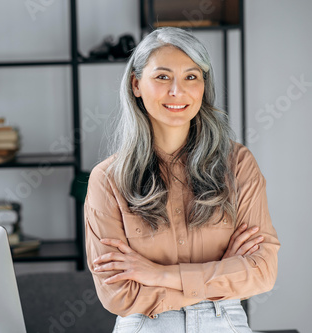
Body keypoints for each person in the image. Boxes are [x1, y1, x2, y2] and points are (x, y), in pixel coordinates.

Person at [84, 27, 280, 332]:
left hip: (225, 321)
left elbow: (263, 272)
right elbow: (118, 295)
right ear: (136, 84)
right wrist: (220, 271)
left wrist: (158, 274)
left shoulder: (238, 164)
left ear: (203, 85)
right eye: (162, 77)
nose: (178, 91)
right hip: (146, 325)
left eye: (191, 77)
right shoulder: (108, 180)